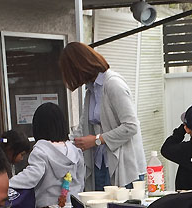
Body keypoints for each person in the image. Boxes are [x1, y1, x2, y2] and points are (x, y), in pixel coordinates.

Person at [59, 41, 147, 189]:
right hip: (100, 163)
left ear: (79, 67)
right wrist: (59, 146)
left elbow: (131, 126)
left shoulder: (113, 84)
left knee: (121, 204)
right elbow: (83, 128)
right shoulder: (91, 90)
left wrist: (97, 140)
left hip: (125, 166)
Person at [9, 102, 85, 208]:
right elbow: (80, 182)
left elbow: (31, 177)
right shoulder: (75, 151)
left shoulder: (41, 151)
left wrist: (6, 184)